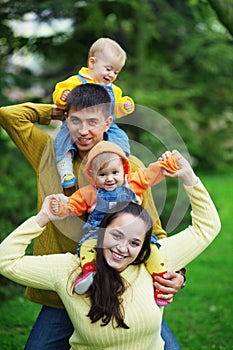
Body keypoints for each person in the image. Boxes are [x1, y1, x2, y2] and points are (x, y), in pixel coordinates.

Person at [0, 83, 184, 350]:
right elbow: (8, 115)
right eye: (75, 120)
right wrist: (59, 110)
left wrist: (177, 273)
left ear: (109, 122)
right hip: (69, 286)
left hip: (124, 286)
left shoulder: (129, 168)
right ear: (66, 119)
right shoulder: (50, 155)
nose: (83, 130)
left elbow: (153, 231)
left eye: (93, 121)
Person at [0, 150, 221, 350]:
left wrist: (189, 177)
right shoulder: (67, 271)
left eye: (135, 242)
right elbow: (5, 261)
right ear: (102, 231)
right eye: (116, 235)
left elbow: (207, 227)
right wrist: (42, 218)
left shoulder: (152, 255)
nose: (123, 249)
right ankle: (91, 271)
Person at [50, 140, 179, 306]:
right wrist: (61, 207)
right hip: (100, 233)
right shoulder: (90, 192)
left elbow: (151, 173)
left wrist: (167, 163)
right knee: (87, 245)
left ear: (124, 170)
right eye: (102, 175)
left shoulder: (131, 183)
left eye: (114, 173)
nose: (109, 179)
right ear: (93, 176)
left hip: (132, 233)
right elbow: (73, 204)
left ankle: (160, 280)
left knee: (152, 249)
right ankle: (90, 272)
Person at [53, 37, 135, 188]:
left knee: (120, 137)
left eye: (116, 72)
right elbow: (60, 92)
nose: (111, 75)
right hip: (76, 123)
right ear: (92, 62)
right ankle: (65, 167)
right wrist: (63, 96)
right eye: (108, 69)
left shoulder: (113, 89)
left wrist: (125, 105)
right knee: (63, 139)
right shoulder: (76, 81)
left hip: (106, 125)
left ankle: (119, 165)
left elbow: (115, 109)